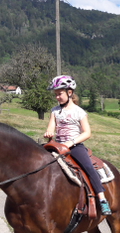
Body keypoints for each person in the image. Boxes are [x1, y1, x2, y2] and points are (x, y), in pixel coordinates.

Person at [44, 75, 111, 216]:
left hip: (74, 147)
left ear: (69, 93)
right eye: (55, 94)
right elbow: (51, 126)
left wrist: (71, 142)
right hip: (56, 145)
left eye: (59, 94)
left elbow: (87, 133)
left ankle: (102, 199)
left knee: (88, 167)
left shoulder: (79, 112)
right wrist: (49, 132)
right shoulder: (54, 111)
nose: (57, 97)